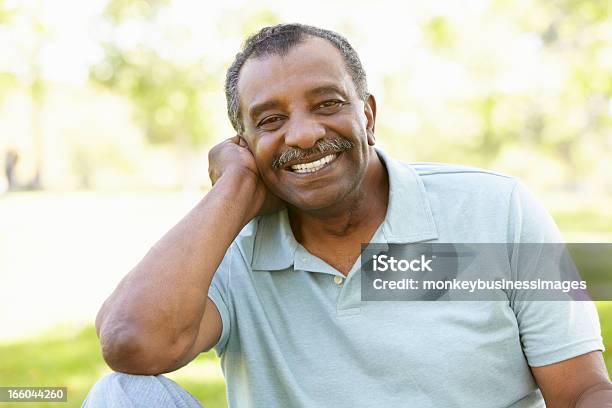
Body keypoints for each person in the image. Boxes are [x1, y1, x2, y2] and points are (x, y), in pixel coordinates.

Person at [84, 24, 612, 407]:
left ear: (369, 115)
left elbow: (582, 389)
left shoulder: (496, 209)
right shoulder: (229, 246)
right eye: (271, 120)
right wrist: (233, 190)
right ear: (243, 144)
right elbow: (132, 345)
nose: (303, 134)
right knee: (122, 396)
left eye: (327, 104)